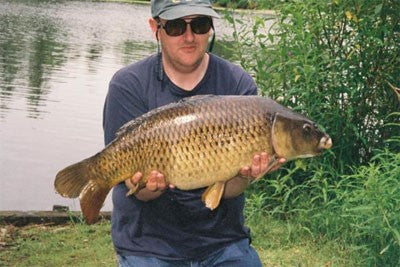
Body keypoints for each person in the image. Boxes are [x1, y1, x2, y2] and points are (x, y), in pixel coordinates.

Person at [103, 0, 285, 266]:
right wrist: (146, 187)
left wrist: (247, 175)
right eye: (176, 27)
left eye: (199, 25)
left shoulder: (238, 86)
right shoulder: (128, 85)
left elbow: (230, 189)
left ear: (210, 28)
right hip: (148, 243)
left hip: (221, 240)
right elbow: (135, 190)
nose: (189, 37)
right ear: (156, 27)